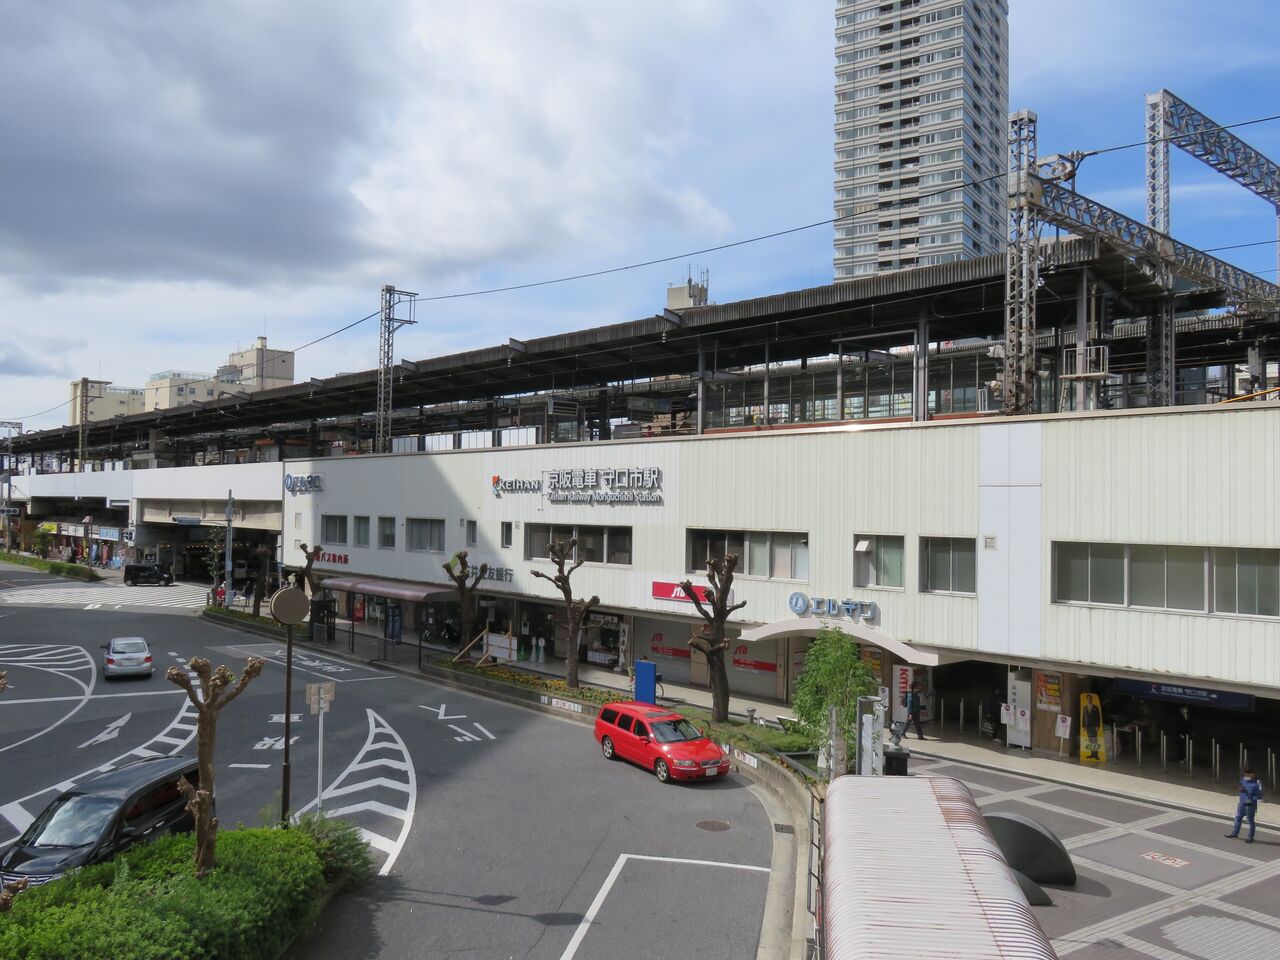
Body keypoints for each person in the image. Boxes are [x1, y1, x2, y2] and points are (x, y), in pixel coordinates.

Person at [1226, 768, 1264, 843]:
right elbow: (1239, 788)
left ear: (1253, 774)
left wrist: (1249, 793)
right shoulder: (1243, 780)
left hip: (1250, 804)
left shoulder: (1258, 783)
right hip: (1241, 803)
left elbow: (1259, 797)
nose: (1246, 776)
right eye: (1245, 774)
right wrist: (1240, 789)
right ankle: (1234, 834)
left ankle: (1250, 837)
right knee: (1238, 818)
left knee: (1250, 821)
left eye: (1248, 774)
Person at [1082, 693, 1102, 760]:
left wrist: (1097, 726)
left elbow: (1098, 717)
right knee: (1090, 740)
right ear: (1087, 699)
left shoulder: (1096, 707)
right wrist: (1083, 726)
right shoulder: (1084, 707)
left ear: (1092, 699)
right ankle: (1092, 754)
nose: (1089, 700)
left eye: (1090, 699)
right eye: (1088, 699)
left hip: (1094, 726)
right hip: (1088, 726)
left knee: (1094, 740)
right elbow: (1083, 717)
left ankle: (1096, 755)